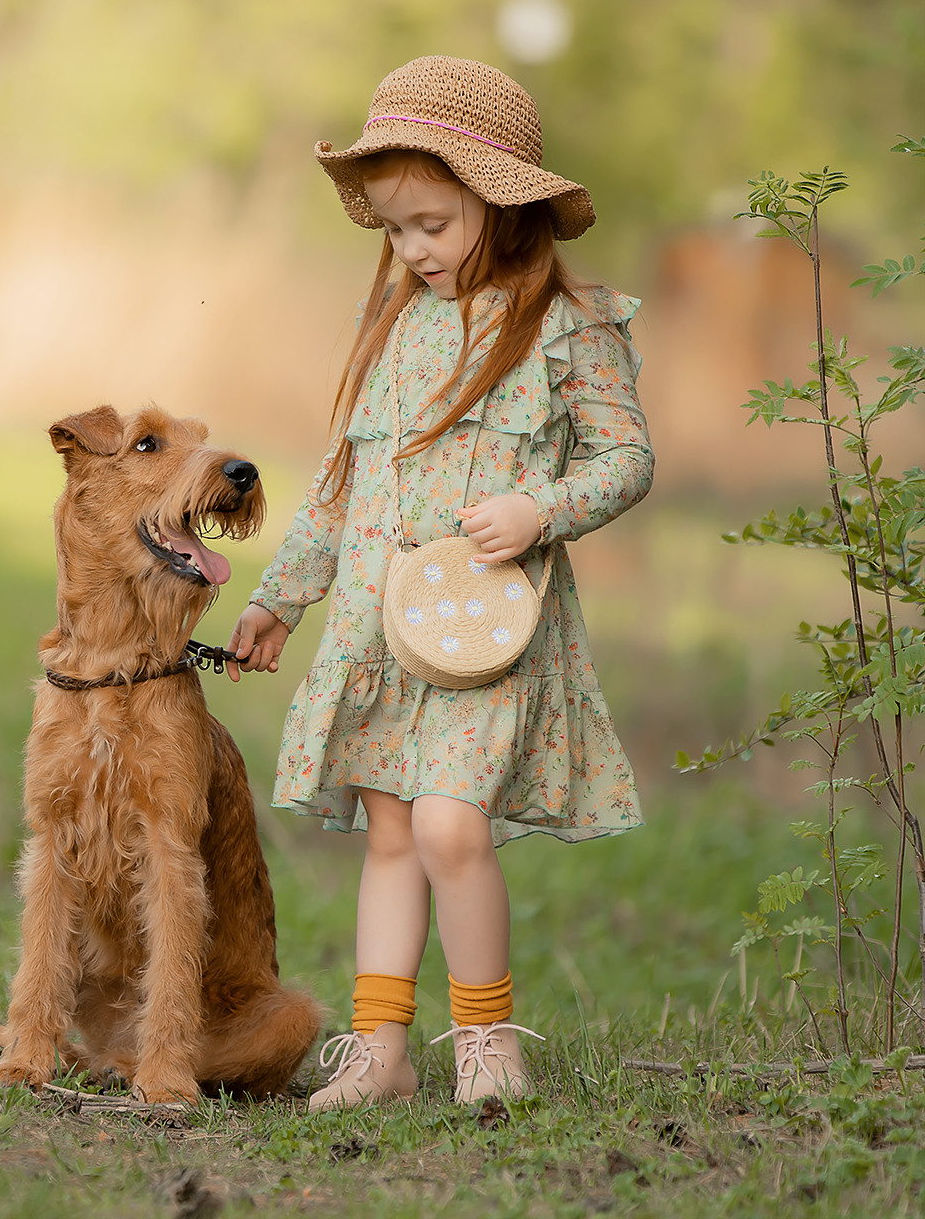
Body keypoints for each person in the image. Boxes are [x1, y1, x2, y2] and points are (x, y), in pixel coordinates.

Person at [225, 55, 654, 1110]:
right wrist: (280, 596)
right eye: (394, 229)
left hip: (483, 634)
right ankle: (380, 1050)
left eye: (432, 223)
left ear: (501, 206)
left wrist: (540, 508)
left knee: (451, 827)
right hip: (379, 628)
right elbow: (339, 486)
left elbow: (625, 458)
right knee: (390, 832)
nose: (412, 248)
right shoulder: (393, 327)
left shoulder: (566, 328)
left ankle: (486, 1038)